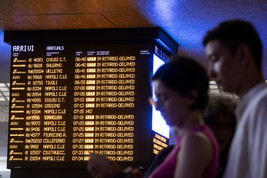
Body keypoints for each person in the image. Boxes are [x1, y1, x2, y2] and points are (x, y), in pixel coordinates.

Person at [87, 56, 219, 178]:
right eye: (155, 99)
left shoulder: (195, 141)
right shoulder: (188, 139)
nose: (157, 106)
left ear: (191, 97)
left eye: (164, 97)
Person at [203, 19, 267, 178]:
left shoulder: (262, 104)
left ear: (243, 55)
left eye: (215, 59)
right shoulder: (249, 109)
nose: (211, 72)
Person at [203, 94, 237, 178]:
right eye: (216, 124)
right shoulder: (184, 156)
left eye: (227, 125)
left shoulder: (234, 165)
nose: (222, 131)